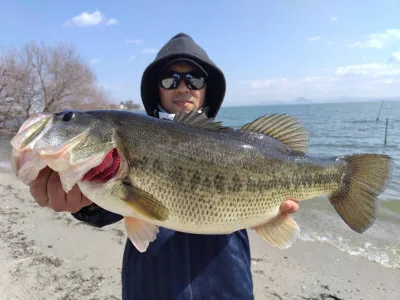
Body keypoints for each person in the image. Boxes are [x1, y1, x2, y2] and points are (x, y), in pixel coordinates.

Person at [29, 33, 299, 300]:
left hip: (229, 288)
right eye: (170, 79)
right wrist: (82, 202)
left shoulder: (234, 144)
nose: (183, 87)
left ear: (208, 88)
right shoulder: (129, 140)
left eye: (195, 79)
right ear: (156, 88)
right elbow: (110, 207)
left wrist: (268, 217)